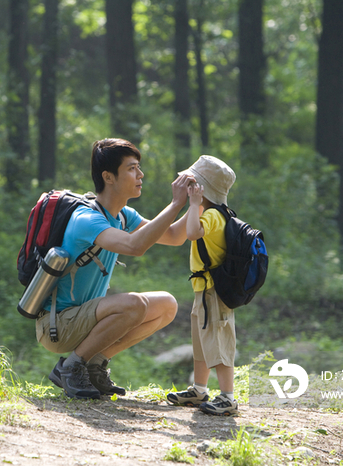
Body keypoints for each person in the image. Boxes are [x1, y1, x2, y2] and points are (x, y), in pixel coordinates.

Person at [37, 138, 194, 400]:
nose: (140, 174)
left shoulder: (123, 215)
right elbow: (134, 246)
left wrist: (199, 200)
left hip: (85, 319)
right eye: (132, 168)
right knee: (134, 304)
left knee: (167, 304)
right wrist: (175, 204)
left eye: (138, 167)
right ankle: (71, 367)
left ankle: (94, 364)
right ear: (108, 177)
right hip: (58, 325)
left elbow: (175, 236)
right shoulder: (86, 219)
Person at [165, 155, 239, 416]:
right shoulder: (206, 212)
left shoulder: (215, 216)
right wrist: (195, 205)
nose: (189, 188)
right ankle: (199, 389)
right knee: (201, 342)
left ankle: (228, 397)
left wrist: (194, 204)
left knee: (218, 341)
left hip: (214, 291)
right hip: (203, 288)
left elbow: (192, 233)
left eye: (195, 184)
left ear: (204, 189)